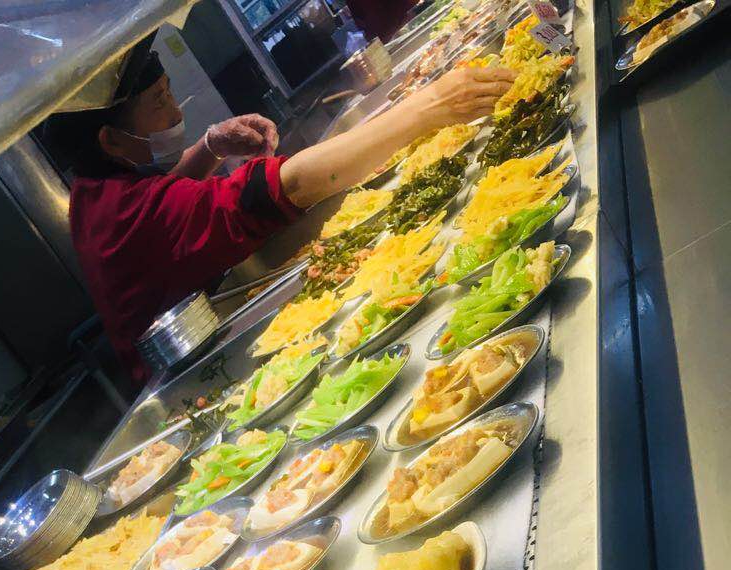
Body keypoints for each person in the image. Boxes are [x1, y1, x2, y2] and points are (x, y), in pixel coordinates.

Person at [45, 36, 514, 383]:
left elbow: (165, 204)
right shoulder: (126, 216)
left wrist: (209, 147)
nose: (176, 114)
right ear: (110, 140)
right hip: (196, 376)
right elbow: (285, 186)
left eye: (170, 92)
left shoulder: (95, 188)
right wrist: (431, 106)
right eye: (159, 101)